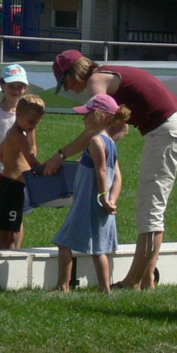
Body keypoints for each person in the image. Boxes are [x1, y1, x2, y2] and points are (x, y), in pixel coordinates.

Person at [43, 49, 177, 292]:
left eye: (65, 82)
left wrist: (60, 156)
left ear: (73, 73)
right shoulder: (106, 74)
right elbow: (120, 129)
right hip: (170, 128)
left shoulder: (95, 81)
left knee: (151, 210)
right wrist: (99, 153)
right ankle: (147, 279)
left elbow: (96, 126)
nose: (68, 89)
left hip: (166, 132)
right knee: (152, 208)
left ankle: (132, 282)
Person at [52, 95, 122, 292]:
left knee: (63, 241)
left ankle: (62, 286)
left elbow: (101, 171)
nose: (84, 118)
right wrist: (111, 200)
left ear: (100, 116)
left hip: (87, 202)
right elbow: (118, 176)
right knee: (99, 249)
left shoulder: (96, 141)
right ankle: (105, 288)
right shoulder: (111, 143)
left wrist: (103, 196)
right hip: (102, 204)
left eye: (87, 114)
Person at [0, 94, 44, 250]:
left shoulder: (12, 133)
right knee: (6, 237)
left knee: (11, 235)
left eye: (37, 123)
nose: (33, 126)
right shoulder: (19, 136)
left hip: (10, 187)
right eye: (31, 121)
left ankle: (7, 261)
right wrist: (51, 169)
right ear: (18, 114)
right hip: (10, 189)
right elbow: (33, 163)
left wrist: (13, 165)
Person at [0, 64, 28, 194]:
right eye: (11, 86)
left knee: (17, 204)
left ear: (25, 88)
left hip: (19, 172)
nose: (15, 90)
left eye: (19, 86)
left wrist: (29, 169)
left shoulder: (27, 114)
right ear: (2, 85)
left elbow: (31, 146)